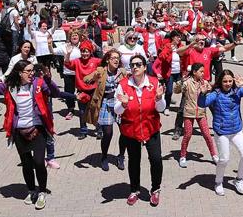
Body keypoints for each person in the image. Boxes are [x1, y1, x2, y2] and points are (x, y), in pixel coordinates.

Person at [0, 60, 63, 210]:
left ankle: (42, 192)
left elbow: (56, 93)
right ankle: (31, 191)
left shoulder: (38, 83)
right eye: (28, 71)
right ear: (20, 73)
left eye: (32, 70)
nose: (31, 73)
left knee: (39, 162)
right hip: (19, 131)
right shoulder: (10, 86)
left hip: (38, 128)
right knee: (27, 163)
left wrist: (47, 78)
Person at [197, 70, 243, 196]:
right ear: (220, 81)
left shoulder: (237, 91)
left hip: (236, 130)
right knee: (224, 159)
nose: (228, 84)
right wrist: (202, 94)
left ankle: (239, 179)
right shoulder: (216, 93)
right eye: (225, 81)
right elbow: (202, 104)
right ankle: (218, 182)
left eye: (230, 81)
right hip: (222, 132)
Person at [114, 55, 165, 207]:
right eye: (132, 65)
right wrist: (122, 105)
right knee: (134, 162)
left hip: (151, 128)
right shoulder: (123, 85)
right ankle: (134, 190)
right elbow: (117, 111)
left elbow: (161, 108)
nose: (135, 67)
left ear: (144, 67)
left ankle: (155, 189)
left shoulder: (154, 83)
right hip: (131, 130)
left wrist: (159, 98)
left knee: (156, 160)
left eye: (138, 64)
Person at [83, 50, 126, 171]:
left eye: (118, 58)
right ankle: (104, 157)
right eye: (113, 58)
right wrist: (94, 77)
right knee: (108, 133)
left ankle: (121, 156)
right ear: (107, 60)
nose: (116, 60)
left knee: (125, 132)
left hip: (119, 103)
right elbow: (86, 79)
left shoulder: (122, 72)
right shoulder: (101, 71)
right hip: (106, 103)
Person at [174, 63, 218, 168]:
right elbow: (176, 91)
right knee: (187, 135)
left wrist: (209, 90)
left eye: (203, 71)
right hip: (188, 113)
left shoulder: (205, 82)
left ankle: (214, 155)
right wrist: (181, 82)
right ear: (194, 72)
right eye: (201, 71)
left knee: (207, 135)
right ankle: (183, 156)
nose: (203, 73)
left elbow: (211, 93)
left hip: (201, 113)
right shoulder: (187, 83)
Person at [65, 40, 101, 140]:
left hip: (93, 90)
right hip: (82, 91)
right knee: (81, 112)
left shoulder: (95, 61)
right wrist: (68, 54)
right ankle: (83, 131)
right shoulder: (77, 61)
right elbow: (67, 64)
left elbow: (105, 62)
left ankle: (99, 130)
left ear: (90, 52)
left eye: (87, 51)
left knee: (95, 111)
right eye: (83, 51)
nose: (85, 53)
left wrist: (102, 50)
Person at [50, 30, 81, 120]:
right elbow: (53, 51)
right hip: (68, 73)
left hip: (80, 73)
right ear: (69, 38)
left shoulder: (82, 46)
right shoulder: (65, 46)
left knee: (83, 92)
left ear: (79, 37)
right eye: (72, 36)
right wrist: (49, 44)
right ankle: (71, 109)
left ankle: (83, 110)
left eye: (76, 35)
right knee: (69, 92)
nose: (74, 37)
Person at [153, 31, 185, 116]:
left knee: (185, 89)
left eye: (180, 37)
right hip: (169, 73)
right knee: (169, 91)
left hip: (179, 72)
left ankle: (183, 107)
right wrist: (170, 49)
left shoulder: (181, 46)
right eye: (177, 37)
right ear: (173, 38)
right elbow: (162, 57)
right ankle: (167, 107)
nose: (179, 38)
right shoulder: (167, 46)